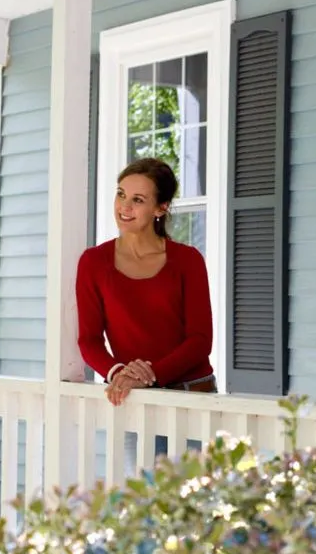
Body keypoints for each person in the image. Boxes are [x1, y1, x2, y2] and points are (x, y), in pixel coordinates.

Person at [76, 157, 216, 406]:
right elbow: (89, 340)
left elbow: (200, 340)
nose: (124, 206)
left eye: (138, 200)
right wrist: (119, 374)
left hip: (191, 396)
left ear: (161, 208)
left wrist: (150, 376)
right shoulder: (94, 262)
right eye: (121, 194)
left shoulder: (187, 260)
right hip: (131, 397)